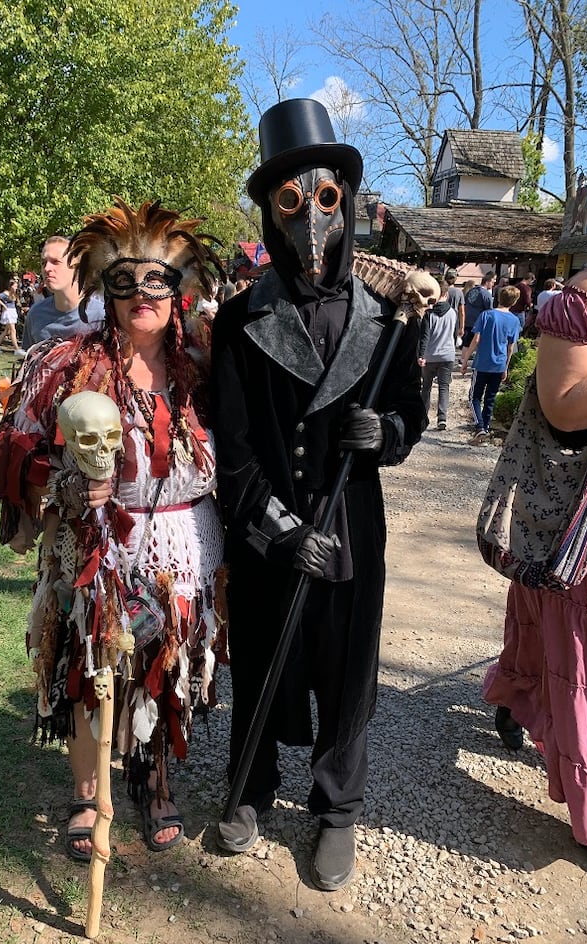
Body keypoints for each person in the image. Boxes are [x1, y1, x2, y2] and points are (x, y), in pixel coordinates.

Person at [209, 98, 427, 891]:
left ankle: (337, 807)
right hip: (271, 524)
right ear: (271, 212)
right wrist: (274, 527)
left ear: (348, 203)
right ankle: (251, 787)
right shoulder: (240, 323)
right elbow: (230, 450)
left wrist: (390, 435)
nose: (308, 218)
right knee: (261, 652)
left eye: (323, 198)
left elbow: (414, 410)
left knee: (347, 666)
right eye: (289, 202)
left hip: (352, 522)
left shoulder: (388, 318)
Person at [0, 198, 228, 860]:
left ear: (180, 292)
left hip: (179, 548)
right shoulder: (64, 364)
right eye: (125, 284)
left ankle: (153, 781)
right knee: (91, 669)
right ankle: (89, 796)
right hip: (93, 545)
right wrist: (65, 485)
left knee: (158, 663)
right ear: (104, 291)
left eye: (158, 282)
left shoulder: (204, 368)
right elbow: (17, 461)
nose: (142, 297)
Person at [482, 266, 587, 871]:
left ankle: (515, 696)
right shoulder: (584, 299)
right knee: (575, 659)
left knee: (544, 644)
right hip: (578, 521)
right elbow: (563, 406)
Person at [21, 235, 105, 350]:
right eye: (43, 263)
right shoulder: (36, 315)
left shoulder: (101, 316)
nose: (46, 268)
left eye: (55, 262)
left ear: (77, 268)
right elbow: (28, 362)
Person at [461, 284, 521, 443]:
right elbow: (510, 348)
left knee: (474, 397)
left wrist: (465, 359)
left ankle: (479, 427)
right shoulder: (514, 321)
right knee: (490, 398)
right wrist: (506, 368)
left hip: (482, 363)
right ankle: (485, 428)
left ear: (498, 298)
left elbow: (476, 339)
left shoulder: (486, 315)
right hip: (500, 363)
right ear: (514, 302)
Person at [418, 278, 457, 430]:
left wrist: (421, 355)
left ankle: (422, 417)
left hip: (430, 356)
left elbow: (424, 337)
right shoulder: (453, 313)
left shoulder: (429, 314)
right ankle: (442, 418)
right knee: (443, 387)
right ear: (446, 295)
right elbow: (454, 335)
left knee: (426, 387)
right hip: (447, 355)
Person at [462, 271, 495, 349]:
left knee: (466, 343)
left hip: (467, 320)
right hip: (478, 321)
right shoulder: (486, 294)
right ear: (487, 282)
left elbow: (465, 303)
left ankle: (463, 359)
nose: (493, 284)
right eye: (492, 282)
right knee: (476, 343)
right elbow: (489, 310)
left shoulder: (471, 291)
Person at [0, 278, 24, 355]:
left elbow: (17, 303)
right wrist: (3, 305)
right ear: (11, 286)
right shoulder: (5, 293)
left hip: (12, 311)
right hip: (8, 312)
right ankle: (16, 349)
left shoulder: (13, 294)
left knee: (6, 331)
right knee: (13, 330)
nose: (16, 287)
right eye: (15, 286)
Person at [444, 269, 464, 347]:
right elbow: (461, 311)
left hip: (442, 318)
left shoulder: (441, 289)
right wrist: (462, 327)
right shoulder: (458, 292)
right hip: (454, 321)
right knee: (452, 342)